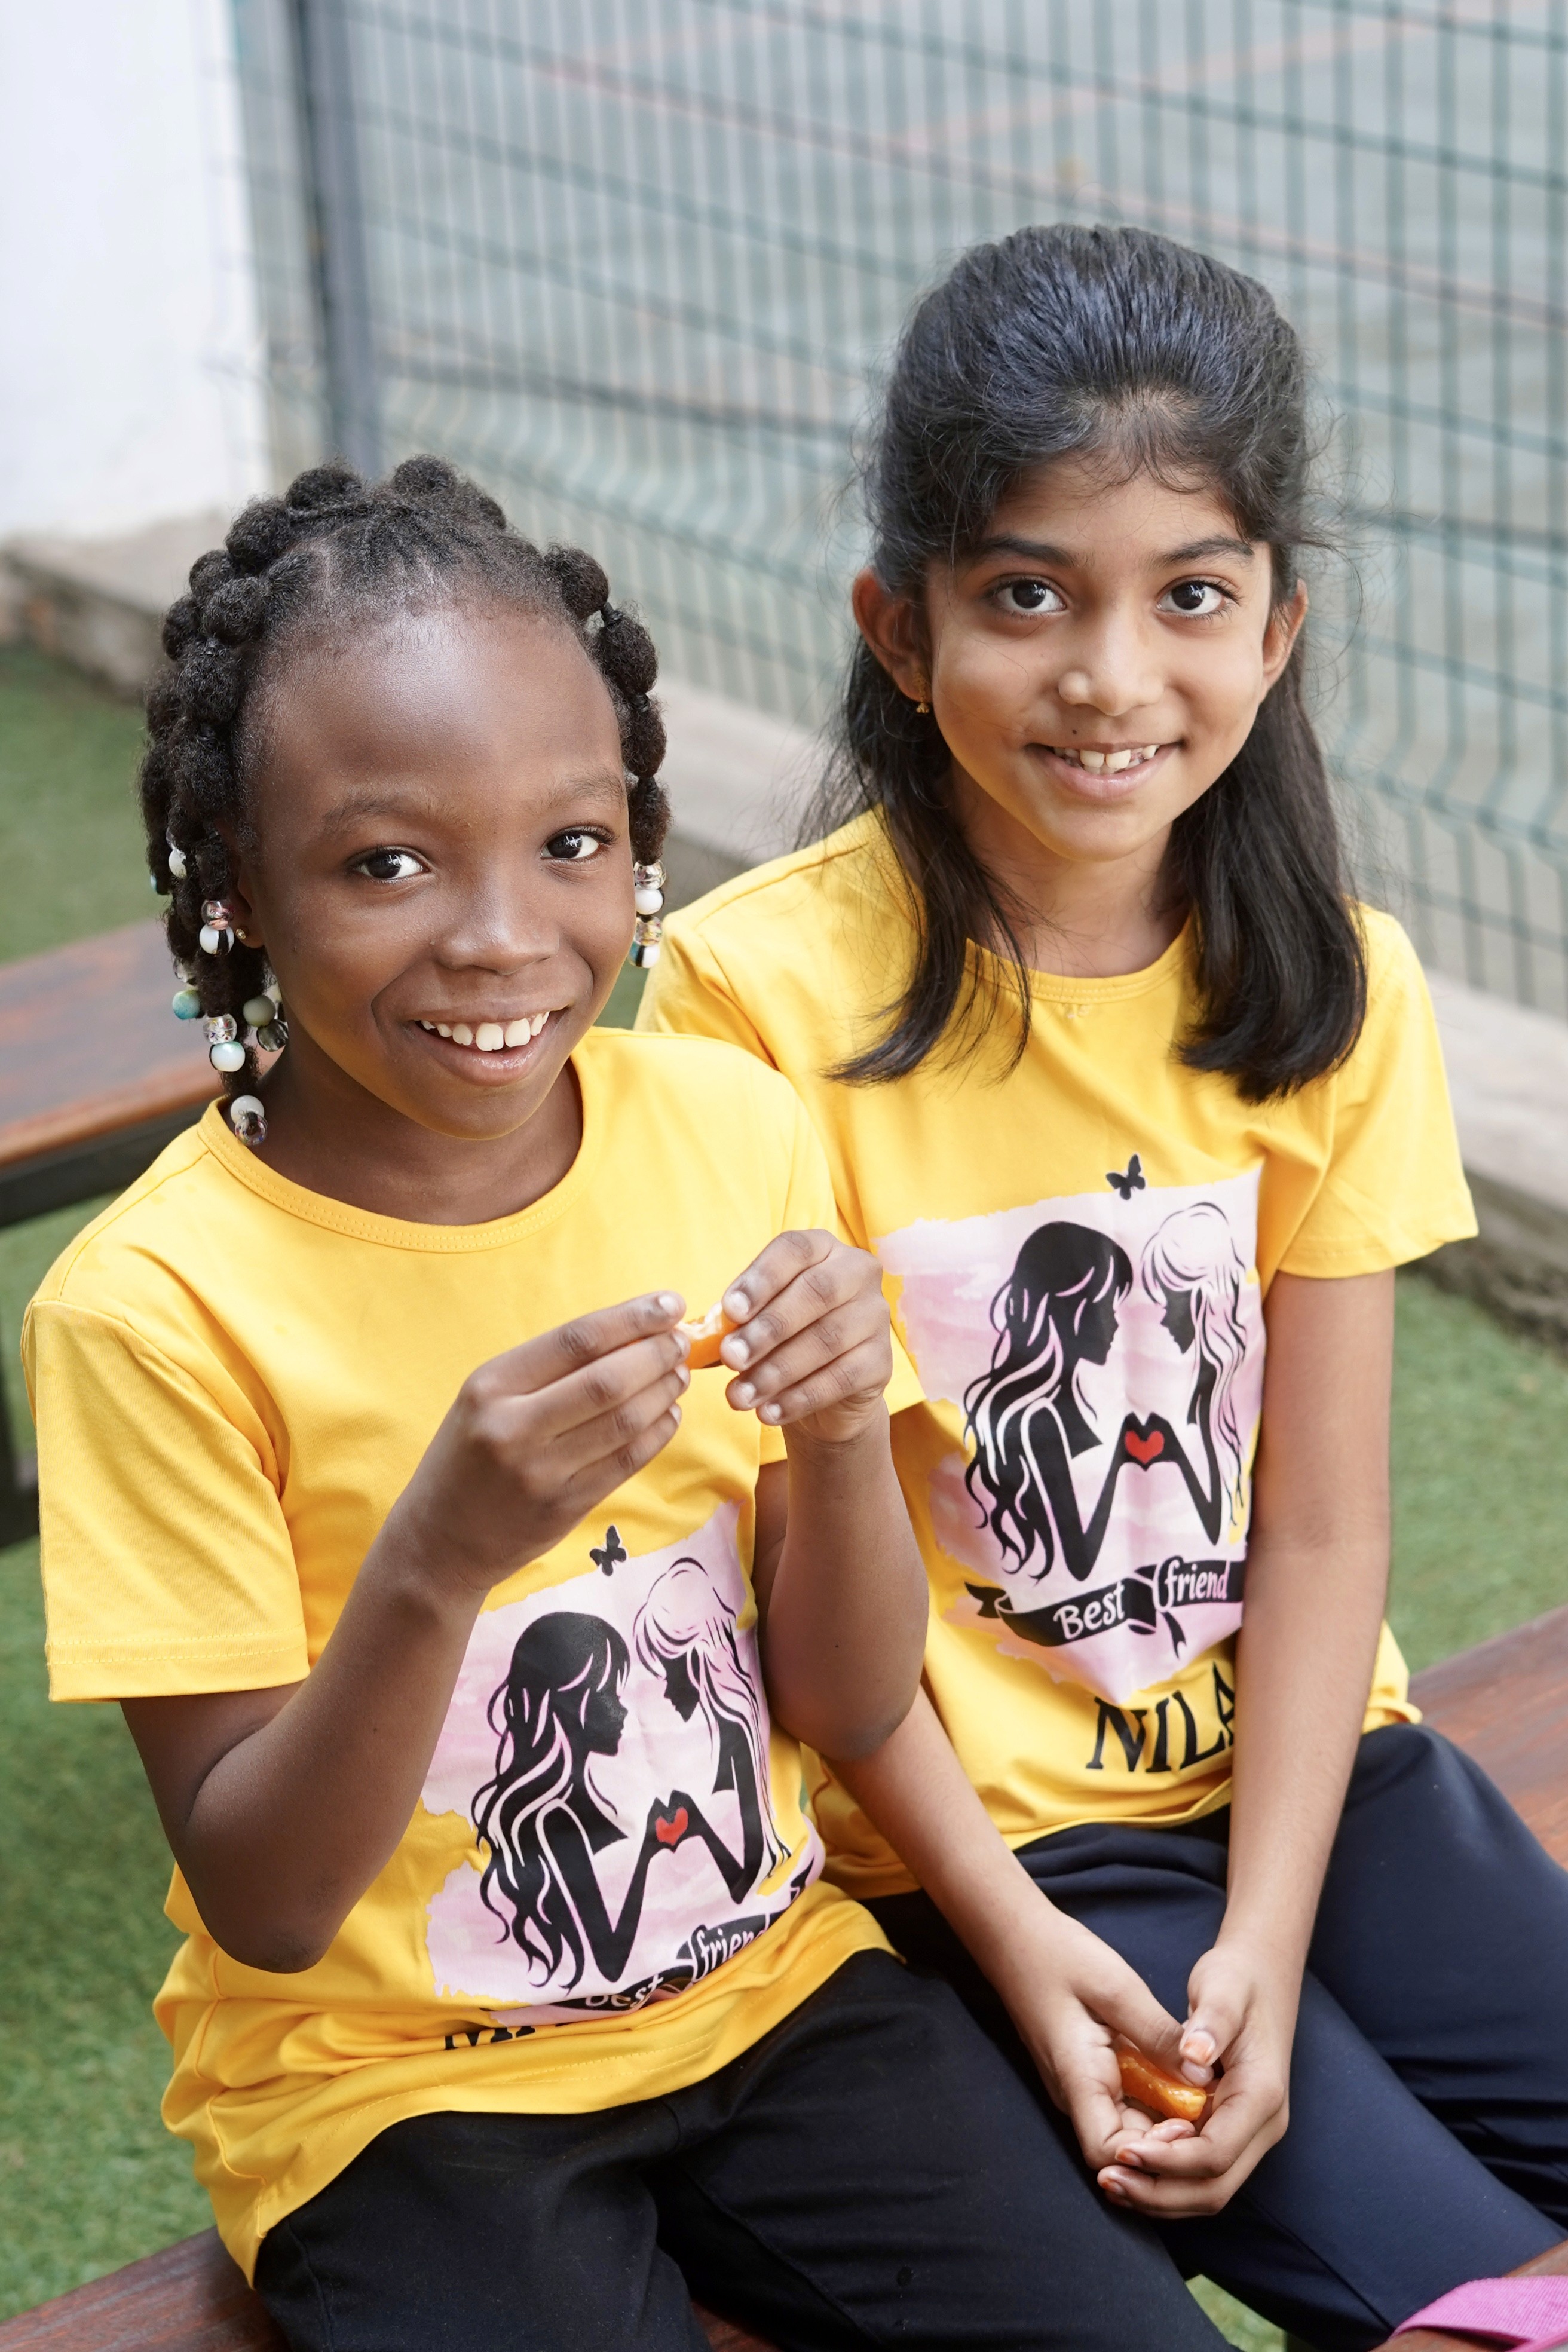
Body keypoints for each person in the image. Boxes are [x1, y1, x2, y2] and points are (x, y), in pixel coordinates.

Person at [23, 455, 1226, 2352]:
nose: (505, 938)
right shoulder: (155, 1309)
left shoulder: (726, 1128)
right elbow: (262, 1899)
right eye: (387, 862)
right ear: (238, 888)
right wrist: (434, 1562)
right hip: (400, 2103)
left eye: (573, 844)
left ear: (641, 842)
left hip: (775, 1994)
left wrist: (839, 1439)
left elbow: (837, 1699)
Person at [639, 226, 1568, 2350]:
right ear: (902, 624)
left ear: (1280, 624)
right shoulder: (748, 997)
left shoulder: (1336, 983)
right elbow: (796, 1592)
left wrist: (1273, 1915)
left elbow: (1321, 1520)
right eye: (1027, 592)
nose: (1111, 677)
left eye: (1191, 596)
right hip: (1000, 1844)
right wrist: (1045, 1946)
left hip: (1322, 1773)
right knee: (1474, 2301)